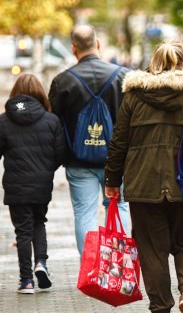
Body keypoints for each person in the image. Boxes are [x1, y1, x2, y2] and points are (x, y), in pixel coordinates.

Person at [104, 40, 183, 313]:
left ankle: (160, 306)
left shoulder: (134, 95)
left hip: (143, 184)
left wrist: (112, 180)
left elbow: (119, 141)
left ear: (154, 62)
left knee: (151, 249)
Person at [48, 24, 130, 255]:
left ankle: (92, 270)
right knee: (118, 206)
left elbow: (54, 122)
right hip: (117, 159)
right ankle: (119, 266)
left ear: (73, 48)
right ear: (98, 44)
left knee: (84, 213)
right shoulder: (122, 76)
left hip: (78, 160)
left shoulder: (63, 81)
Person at [0, 74, 66, 294]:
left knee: (22, 231)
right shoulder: (52, 120)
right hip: (41, 185)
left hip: (16, 186)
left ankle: (26, 280)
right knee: (39, 222)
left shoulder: (3, 121)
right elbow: (60, 154)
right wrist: (46, 171)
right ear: (40, 92)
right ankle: (41, 263)